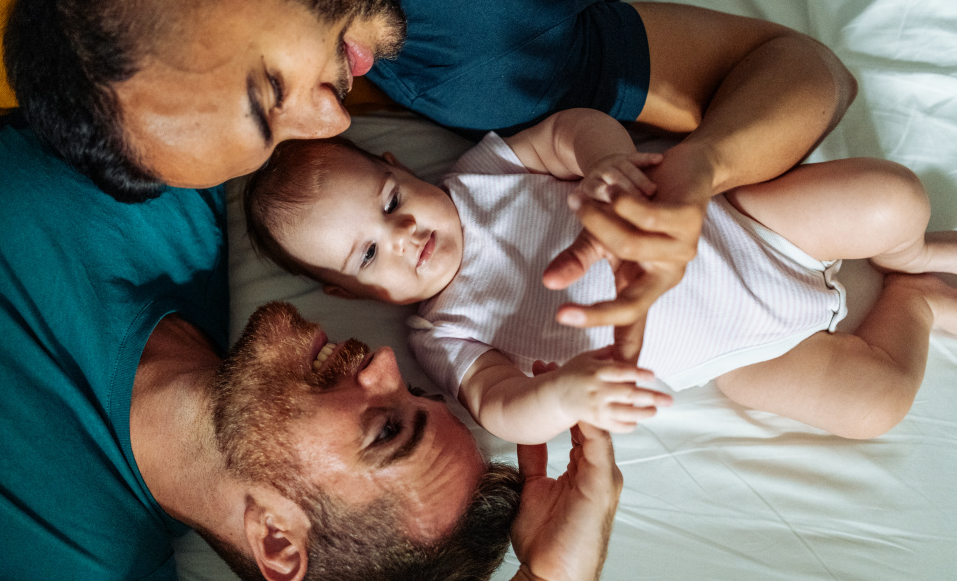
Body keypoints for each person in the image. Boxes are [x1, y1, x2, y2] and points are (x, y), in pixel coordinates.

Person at [0, 0, 857, 340]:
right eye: (284, 134)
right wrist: (700, 173)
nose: (329, 111)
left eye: (264, 93)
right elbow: (797, 68)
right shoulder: (473, 64)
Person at [0, 104, 621, 581]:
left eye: (386, 426)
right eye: (419, 395)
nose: (387, 361)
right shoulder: (175, 194)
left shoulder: (67, 559)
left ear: (279, 542)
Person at [242, 108, 957, 442]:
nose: (402, 235)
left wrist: (607, 159)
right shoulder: (442, 332)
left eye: (390, 201)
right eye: (368, 255)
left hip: (749, 227)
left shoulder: (484, 176)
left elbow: (568, 130)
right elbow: (499, 407)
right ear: (349, 292)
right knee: (876, 405)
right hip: (741, 353)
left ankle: (913, 256)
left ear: (398, 169)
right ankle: (918, 305)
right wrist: (565, 392)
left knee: (892, 199)